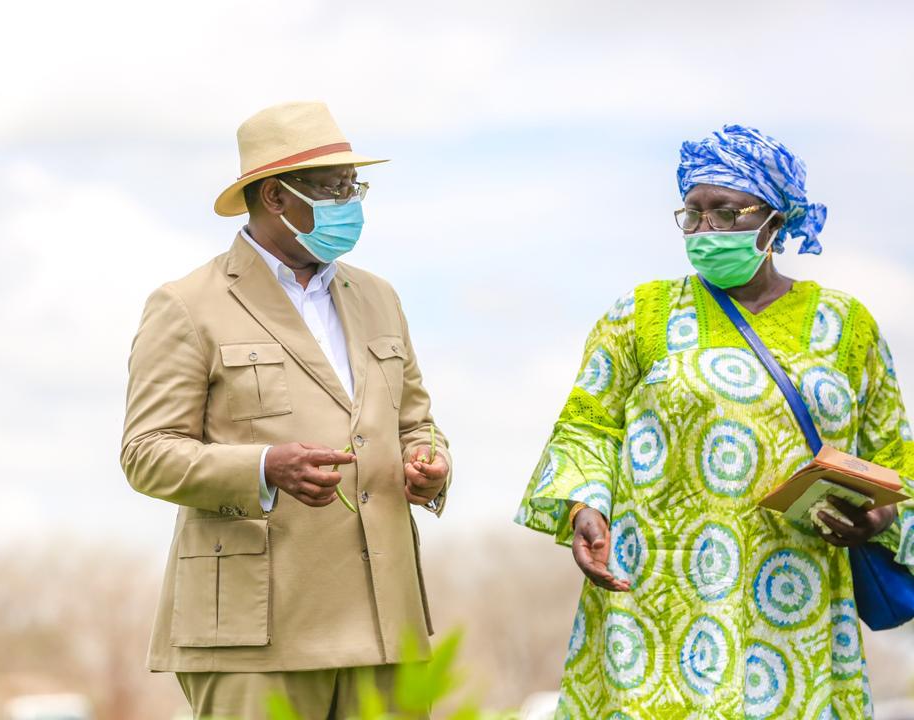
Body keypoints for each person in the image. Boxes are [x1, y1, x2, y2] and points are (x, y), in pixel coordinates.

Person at [515, 124, 914, 718]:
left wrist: (881, 515)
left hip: (795, 603)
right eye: (692, 214)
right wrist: (584, 507)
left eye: (725, 213)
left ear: (775, 220)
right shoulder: (641, 314)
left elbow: (894, 456)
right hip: (657, 600)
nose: (704, 230)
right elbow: (586, 427)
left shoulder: (845, 325)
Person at [121, 101, 451, 719]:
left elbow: (416, 423)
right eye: (333, 188)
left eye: (355, 187)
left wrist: (429, 464)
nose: (351, 203)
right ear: (275, 196)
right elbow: (146, 454)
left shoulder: (379, 297)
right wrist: (265, 466)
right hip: (256, 632)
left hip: (387, 626)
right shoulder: (187, 304)